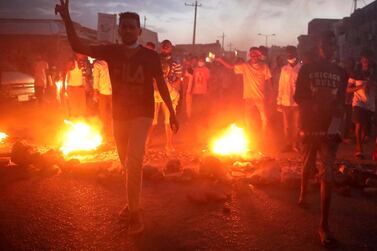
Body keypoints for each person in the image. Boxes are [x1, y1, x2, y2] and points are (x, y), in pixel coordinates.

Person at [55, 0, 179, 234]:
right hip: (119, 115)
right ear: (119, 30)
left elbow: (161, 85)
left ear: (139, 31)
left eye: (133, 27)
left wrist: (172, 113)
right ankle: (132, 203)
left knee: (134, 162)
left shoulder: (150, 57)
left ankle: (134, 214)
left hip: (142, 115)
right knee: (126, 164)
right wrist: (66, 18)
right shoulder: (111, 51)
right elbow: (77, 44)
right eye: (125, 27)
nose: (128, 30)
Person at [294, 31, 347, 248]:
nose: (329, 48)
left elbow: (342, 103)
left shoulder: (341, 73)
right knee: (307, 163)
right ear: (319, 47)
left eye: (332, 44)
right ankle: (303, 193)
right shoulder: (307, 69)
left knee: (327, 172)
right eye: (326, 44)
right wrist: (312, 107)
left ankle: (323, 225)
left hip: (330, 130)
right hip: (310, 126)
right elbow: (297, 97)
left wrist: (338, 118)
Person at [216, 47, 272, 140]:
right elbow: (231, 66)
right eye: (252, 55)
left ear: (258, 56)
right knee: (247, 119)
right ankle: (250, 136)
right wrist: (221, 60)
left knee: (264, 118)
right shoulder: (245, 66)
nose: (254, 57)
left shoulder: (264, 66)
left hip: (260, 97)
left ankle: (264, 136)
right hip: (249, 97)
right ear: (250, 56)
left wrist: (271, 95)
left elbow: (269, 81)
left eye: (256, 55)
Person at [348, 51, 377, 159]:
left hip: (370, 104)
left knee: (365, 128)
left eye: (368, 61)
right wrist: (360, 87)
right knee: (358, 125)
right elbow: (348, 89)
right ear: (361, 61)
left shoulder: (374, 73)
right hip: (358, 103)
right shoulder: (355, 73)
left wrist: (373, 84)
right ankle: (359, 148)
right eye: (364, 61)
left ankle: (361, 143)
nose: (366, 63)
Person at [155, 39, 181, 152]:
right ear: (161, 47)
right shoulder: (155, 60)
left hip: (169, 94)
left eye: (167, 47)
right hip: (155, 93)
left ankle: (169, 145)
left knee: (169, 119)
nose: (165, 48)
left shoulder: (175, 62)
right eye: (163, 46)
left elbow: (178, 79)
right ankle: (146, 144)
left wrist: (173, 90)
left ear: (171, 48)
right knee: (152, 120)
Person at [277, 46, 301, 152]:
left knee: (297, 125)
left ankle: (295, 144)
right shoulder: (284, 69)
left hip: (297, 103)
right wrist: (278, 101)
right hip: (285, 102)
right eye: (288, 54)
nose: (289, 55)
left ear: (296, 53)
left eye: (291, 53)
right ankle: (288, 144)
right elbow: (281, 86)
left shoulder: (301, 68)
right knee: (287, 126)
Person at [93, 59, 112, 140]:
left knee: (113, 114)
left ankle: (112, 132)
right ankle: (104, 132)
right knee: (103, 113)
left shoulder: (114, 61)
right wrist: (95, 92)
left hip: (113, 93)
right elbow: (96, 78)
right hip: (102, 93)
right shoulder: (98, 64)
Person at [64, 53, 87, 118]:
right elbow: (66, 75)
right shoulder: (71, 62)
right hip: (72, 88)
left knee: (82, 108)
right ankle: (74, 122)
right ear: (76, 55)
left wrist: (85, 85)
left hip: (81, 88)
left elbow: (84, 76)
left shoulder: (83, 63)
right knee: (74, 108)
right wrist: (65, 88)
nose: (82, 55)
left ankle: (80, 123)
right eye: (80, 54)